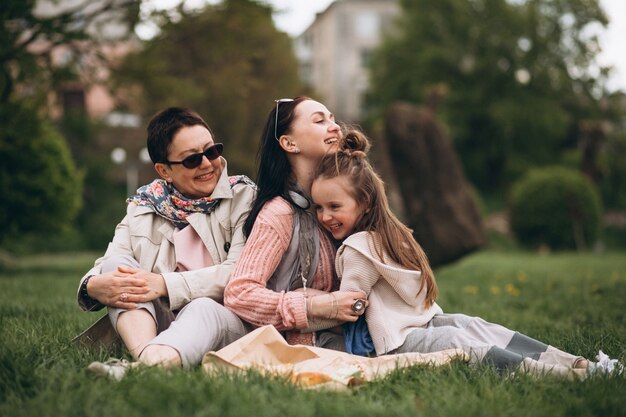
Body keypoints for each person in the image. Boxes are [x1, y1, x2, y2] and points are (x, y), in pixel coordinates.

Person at [309, 129, 622, 378]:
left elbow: (348, 306)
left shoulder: (359, 247)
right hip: (395, 343)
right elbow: (352, 306)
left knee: (472, 326)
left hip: (396, 339)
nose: (324, 216)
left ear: (364, 202)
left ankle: (579, 368)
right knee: (463, 340)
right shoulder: (384, 236)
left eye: (335, 207)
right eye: (319, 207)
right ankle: (571, 371)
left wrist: (309, 306)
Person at [76, 107, 256, 379]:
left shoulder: (245, 197)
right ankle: (150, 360)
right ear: (164, 170)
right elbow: (110, 260)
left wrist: (161, 284)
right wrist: (92, 286)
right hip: (161, 320)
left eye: (211, 151)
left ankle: (142, 368)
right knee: (116, 267)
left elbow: (240, 274)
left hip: (225, 320)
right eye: (192, 160)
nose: (207, 164)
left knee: (202, 307)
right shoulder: (143, 206)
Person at [223, 97, 367, 349]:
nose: (335, 127)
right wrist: (316, 305)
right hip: (312, 344)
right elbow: (239, 294)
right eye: (320, 121)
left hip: (371, 328)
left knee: (455, 327)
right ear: (289, 143)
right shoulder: (280, 212)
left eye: (332, 119)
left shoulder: (348, 197)